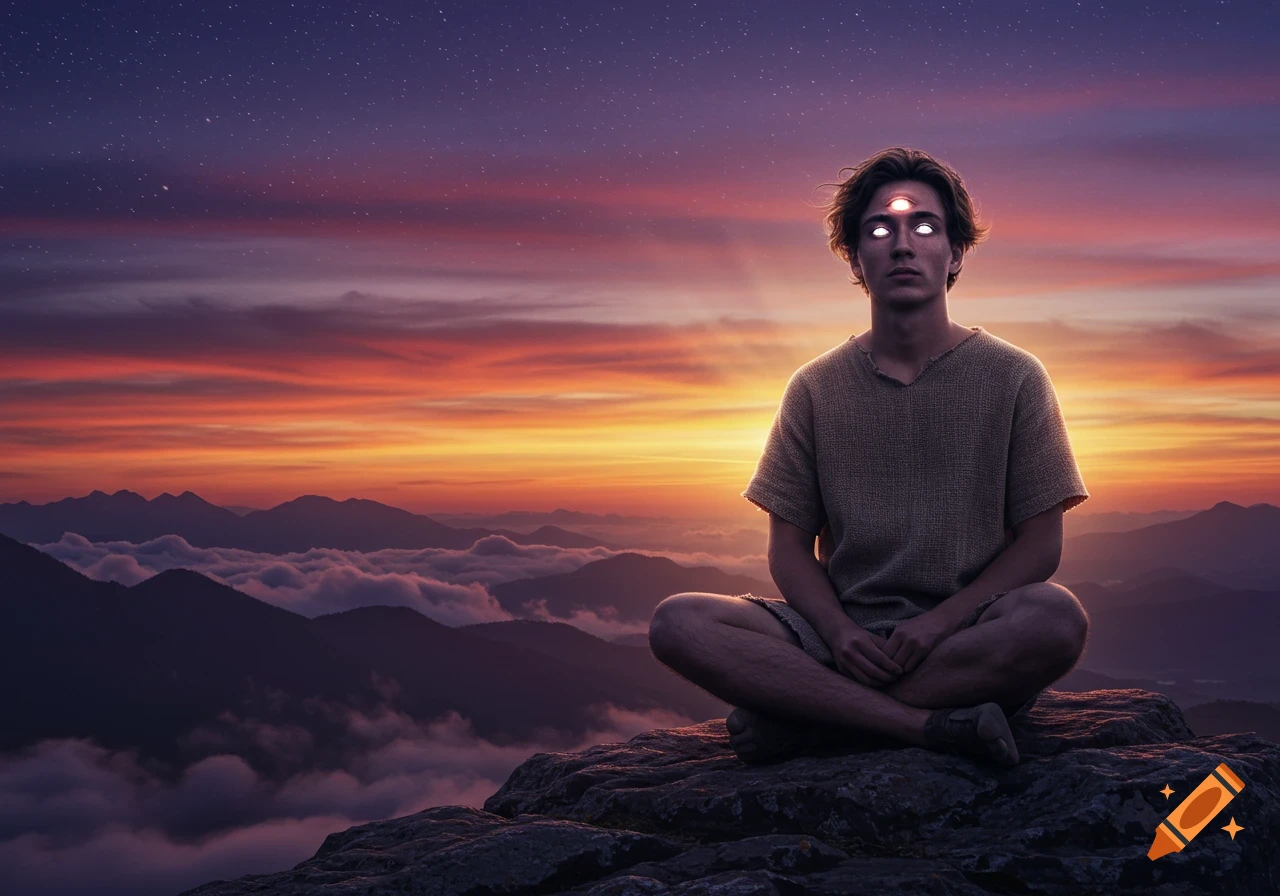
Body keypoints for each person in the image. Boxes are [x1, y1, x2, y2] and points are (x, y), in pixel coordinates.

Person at [648, 147, 1091, 767]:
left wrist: (939, 624)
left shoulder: (1015, 377)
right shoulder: (815, 387)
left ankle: (815, 724)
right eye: (879, 229)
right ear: (857, 258)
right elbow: (788, 548)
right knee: (679, 623)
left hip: (965, 638)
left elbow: (1041, 545)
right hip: (836, 637)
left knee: (1056, 619)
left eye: (925, 227)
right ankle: (915, 723)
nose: (902, 245)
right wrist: (838, 632)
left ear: (956, 252)